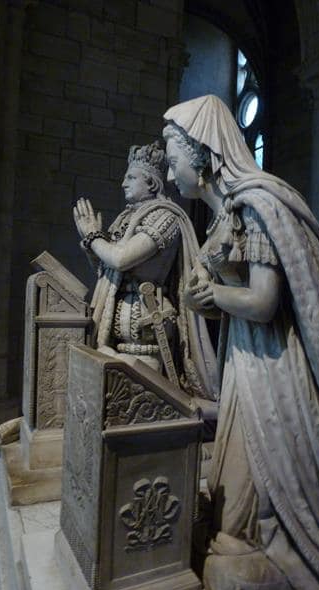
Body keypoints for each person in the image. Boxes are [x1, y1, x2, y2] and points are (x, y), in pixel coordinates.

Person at [163, 95, 319, 590]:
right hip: (244, 365)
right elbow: (232, 301)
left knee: (243, 517)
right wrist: (206, 301)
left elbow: (266, 303)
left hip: (275, 370)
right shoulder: (223, 216)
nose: (168, 170)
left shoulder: (258, 205)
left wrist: (215, 294)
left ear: (200, 154)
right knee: (229, 514)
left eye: (172, 155)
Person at [73, 140, 217, 400]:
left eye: (131, 177)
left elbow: (120, 259)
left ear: (150, 182)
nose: (123, 183)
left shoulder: (166, 217)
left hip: (148, 317)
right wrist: (90, 245)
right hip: (119, 316)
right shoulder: (125, 219)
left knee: (140, 388)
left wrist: (94, 237)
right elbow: (106, 270)